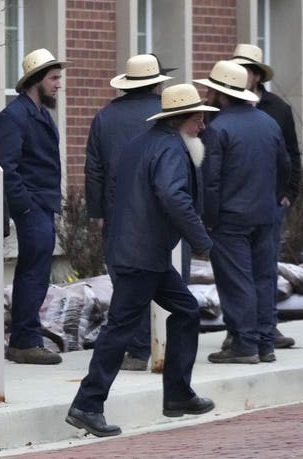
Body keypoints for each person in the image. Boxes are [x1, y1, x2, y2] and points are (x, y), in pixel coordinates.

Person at [65, 83, 217, 437]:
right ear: (185, 118)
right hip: (142, 254)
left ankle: (178, 395)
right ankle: (87, 404)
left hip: (137, 250)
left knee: (185, 310)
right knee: (120, 329)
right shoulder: (171, 149)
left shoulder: (145, 142)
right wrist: (201, 240)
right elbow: (172, 194)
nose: (203, 127)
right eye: (199, 119)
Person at [196, 60, 289, 364]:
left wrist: (208, 220)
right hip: (266, 214)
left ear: (221, 94)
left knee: (237, 281)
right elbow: (284, 168)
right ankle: (265, 342)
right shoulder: (268, 122)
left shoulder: (217, 128)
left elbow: (211, 181)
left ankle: (244, 343)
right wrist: (273, 200)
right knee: (263, 277)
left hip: (230, 217)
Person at [83, 53, 172, 371]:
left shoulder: (105, 117)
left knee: (126, 282)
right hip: (164, 211)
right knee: (169, 279)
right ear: (157, 84)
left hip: (119, 212)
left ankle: (136, 350)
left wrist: (98, 212)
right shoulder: (168, 112)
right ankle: (167, 344)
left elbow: (93, 169)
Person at [0, 48, 65, 365]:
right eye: (53, 78)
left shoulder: (40, 114)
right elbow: (6, 167)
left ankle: (28, 335)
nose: (58, 84)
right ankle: (24, 340)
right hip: (32, 205)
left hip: (42, 203)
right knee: (33, 272)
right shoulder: (13, 116)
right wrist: (23, 205)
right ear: (35, 81)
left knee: (37, 270)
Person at [231, 43, 301, 350]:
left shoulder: (278, 109)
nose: (240, 75)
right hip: (235, 202)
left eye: (245, 70)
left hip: (271, 201)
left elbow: (291, 156)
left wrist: (288, 193)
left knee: (266, 267)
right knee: (236, 270)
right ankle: (240, 330)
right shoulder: (224, 107)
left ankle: (267, 327)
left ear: (257, 76)